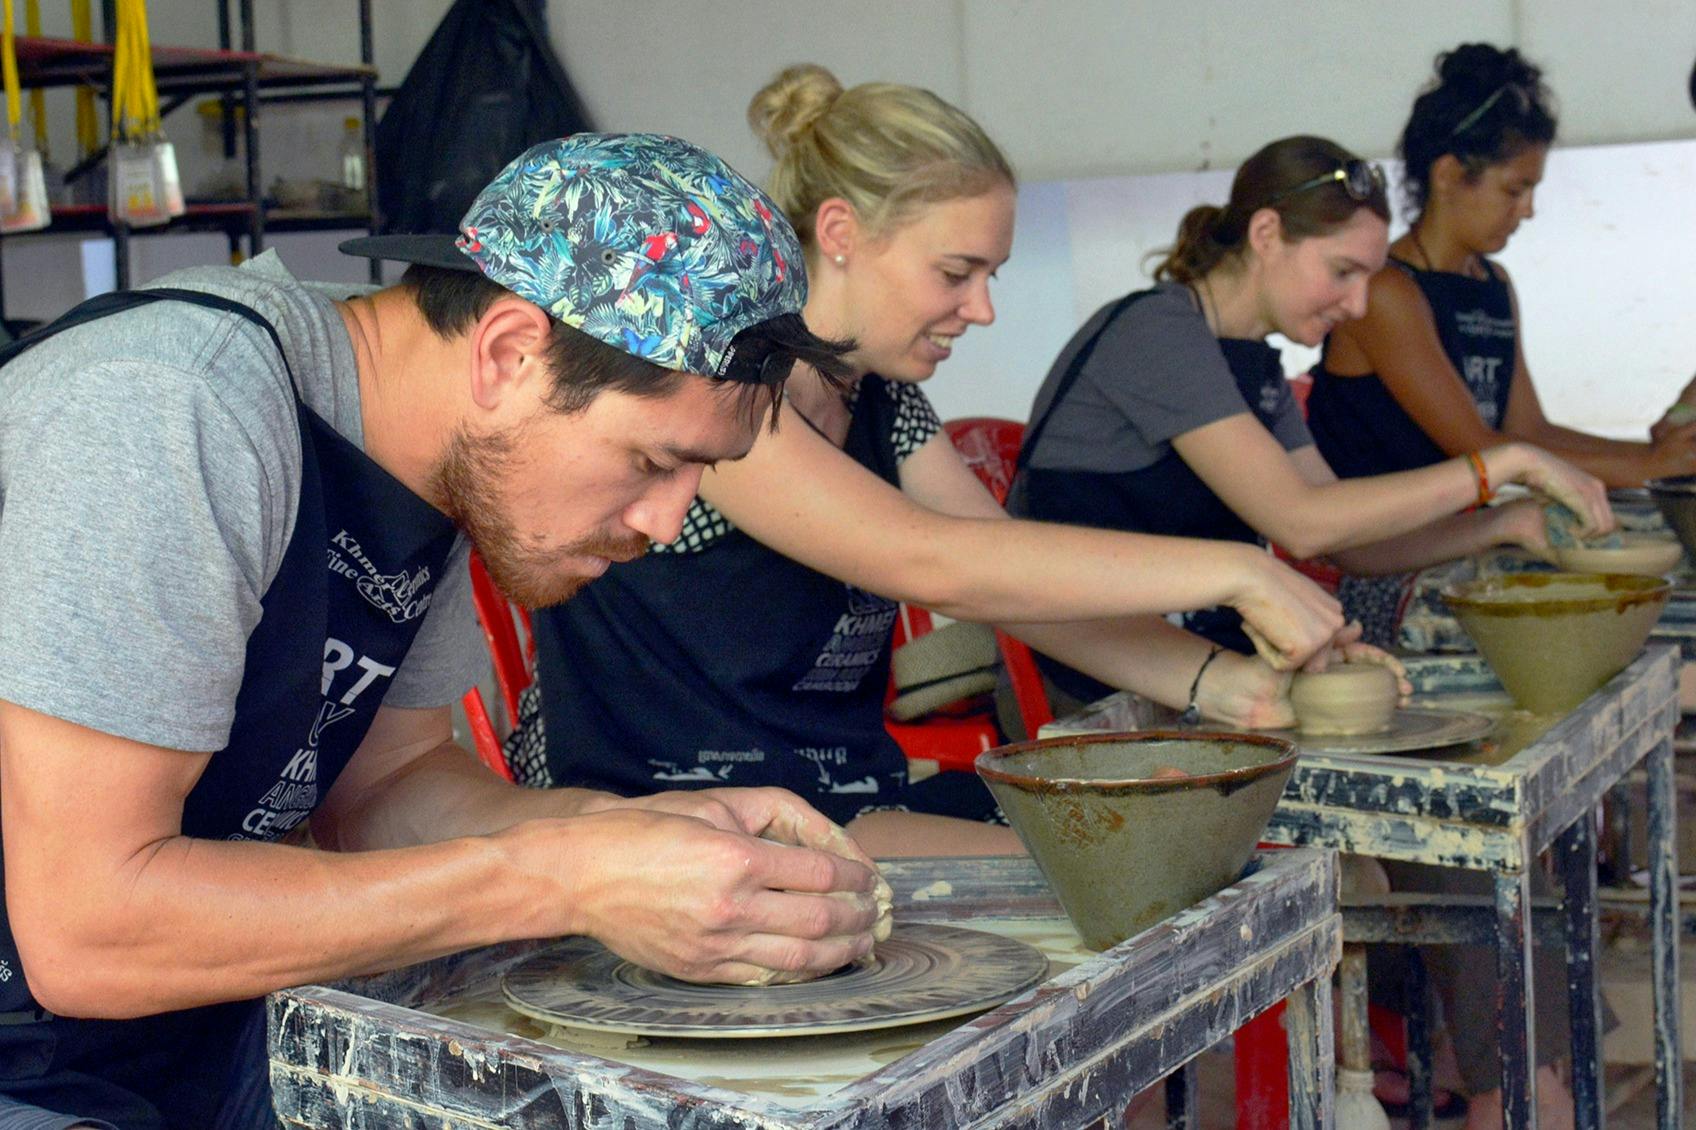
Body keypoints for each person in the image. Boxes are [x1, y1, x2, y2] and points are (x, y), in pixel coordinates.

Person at [0, 133, 896, 1129]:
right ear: (510, 350)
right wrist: (562, 878)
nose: (659, 520)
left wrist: (629, 836)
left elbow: (384, 790)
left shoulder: (428, 464)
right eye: (650, 461)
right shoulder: (172, 409)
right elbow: (88, 930)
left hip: (165, 1025)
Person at [517, 67, 1364, 860]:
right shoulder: (725, 389)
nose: (983, 309)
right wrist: (1239, 572)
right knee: (1136, 864)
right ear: (841, 233)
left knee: (1184, 836)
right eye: (957, 273)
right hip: (676, 813)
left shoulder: (880, 398)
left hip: (829, 797)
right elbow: (934, 561)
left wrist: (1228, 685)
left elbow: (1010, 580)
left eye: (990, 275)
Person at [1011, 133, 1611, 701]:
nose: (1357, 306)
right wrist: (1502, 462)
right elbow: (1300, 523)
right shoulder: (1156, 333)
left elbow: (1349, 541)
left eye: (1369, 280)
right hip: (1098, 677)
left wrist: (1504, 523)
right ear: (1267, 233)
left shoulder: (1255, 366)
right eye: (1343, 271)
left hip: (1204, 662)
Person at [1310, 44, 1696, 489]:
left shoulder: (1493, 282)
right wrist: (1648, 468)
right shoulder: (1386, 292)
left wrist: (1666, 456)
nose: (1529, 210)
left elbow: (1530, 433)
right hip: (1376, 547)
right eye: (1515, 190)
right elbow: (1478, 447)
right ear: (1450, 175)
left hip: (1455, 528)